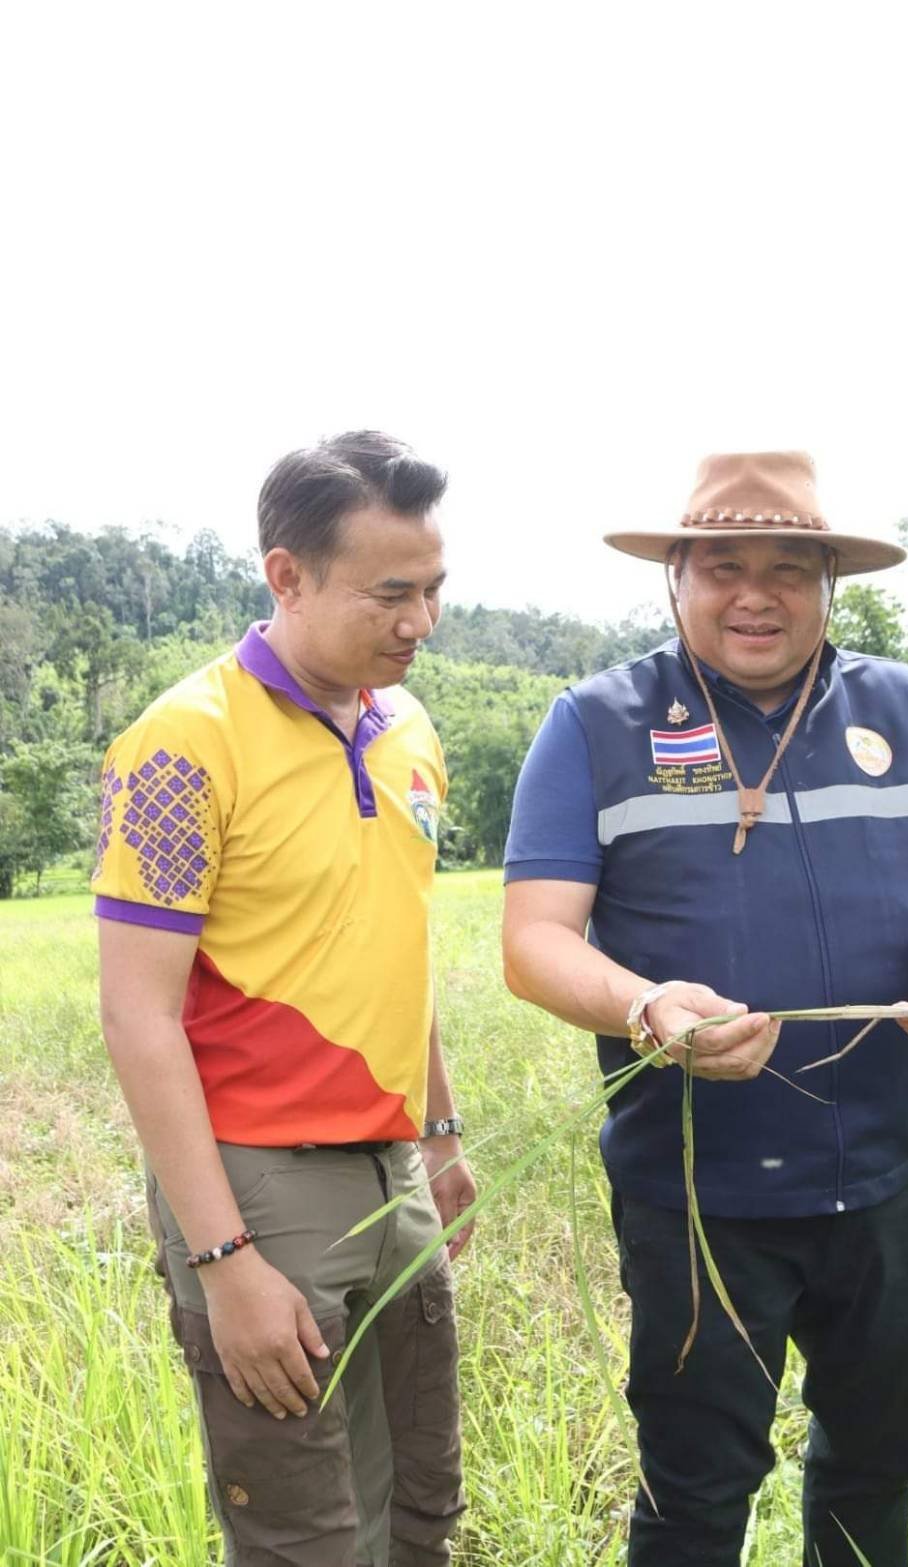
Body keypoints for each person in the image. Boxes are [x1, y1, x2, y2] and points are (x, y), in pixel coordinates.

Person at [501, 450, 908, 1567]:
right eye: (723, 566)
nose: (756, 593)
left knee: (879, 1465)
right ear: (675, 579)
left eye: (789, 567)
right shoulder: (595, 723)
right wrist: (648, 1009)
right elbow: (534, 940)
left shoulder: (901, 702)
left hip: (887, 1180)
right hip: (696, 1195)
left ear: (830, 582)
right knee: (694, 1488)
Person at [93, 430, 474, 1567]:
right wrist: (225, 1262)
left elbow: (392, 951)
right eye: (389, 593)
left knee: (421, 1505)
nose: (418, 621)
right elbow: (137, 1016)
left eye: (436, 590)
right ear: (287, 575)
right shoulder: (181, 744)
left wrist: (441, 1131)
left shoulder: (408, 732)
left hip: (394, 1169)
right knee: (307, 1536)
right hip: (260, 1183)